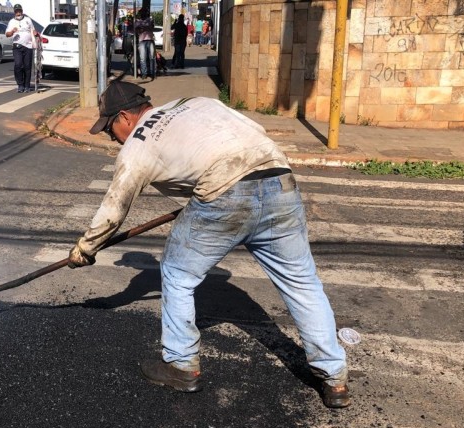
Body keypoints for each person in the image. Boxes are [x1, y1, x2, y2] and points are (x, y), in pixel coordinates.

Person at [68, 81, 351, 409]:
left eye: (109, 130)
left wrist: (85, 249)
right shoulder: (197, 101)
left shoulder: (139, 143)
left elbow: (113, 210)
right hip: (279, 181)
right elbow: (254, 134)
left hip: (225, 193)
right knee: (302, 283)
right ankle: (335, 378)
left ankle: (180, 365)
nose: (112, 138)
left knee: (176, 274)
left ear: (123, 118)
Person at [5, 4, 38, 92]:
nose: (18, 13)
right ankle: (20, 85)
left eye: (19, 11)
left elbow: (33, 30)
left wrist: (35, 33)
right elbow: (7, 34)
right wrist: (12, 31)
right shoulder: (11, 21)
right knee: (18, 65)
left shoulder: (28, 20)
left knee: (27, 66)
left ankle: (27, 85)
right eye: (16, 11)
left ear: (22, 11)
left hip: (28, 46)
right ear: (14, 12)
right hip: (17, 46)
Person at [134, 7, 155, 80]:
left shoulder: (150, 20)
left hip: (150, 40)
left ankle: (152, 73)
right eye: (141, 13)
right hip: (141, 41)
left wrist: (142, 28)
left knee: (151, 57)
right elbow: (137, 30)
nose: (143, 14)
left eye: (144, 12)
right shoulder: (137, 21)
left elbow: (151, 27)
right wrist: (142, 28)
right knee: (142, 58)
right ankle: (144, 73)